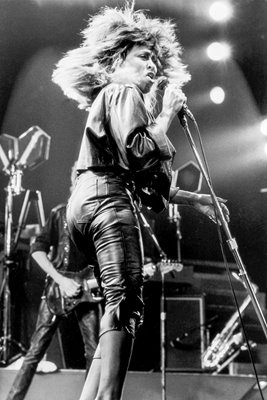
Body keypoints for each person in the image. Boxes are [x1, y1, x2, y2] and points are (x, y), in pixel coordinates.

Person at [52, 3, 230, 399]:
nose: (153, 67)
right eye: (144, 57)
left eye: (156, 60)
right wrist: (165, 114)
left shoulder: (115, 98)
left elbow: (144, 177)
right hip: (107, 203)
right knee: (126, 303)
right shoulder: (122, 90)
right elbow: (138, 152)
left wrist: (190, 197)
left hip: (88, 204)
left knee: (115, 304)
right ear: (118, 59)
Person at [6, 163, 101, 400]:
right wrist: (61, 280)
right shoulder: (59, 214)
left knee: (94, 354)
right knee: (35, 351)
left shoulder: (99, 220)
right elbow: (37, 250)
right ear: (74, 181)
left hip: (87, 293)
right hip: (56, 293)